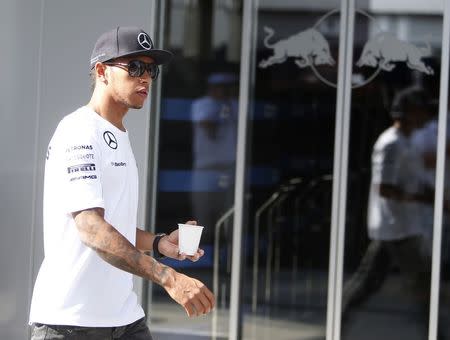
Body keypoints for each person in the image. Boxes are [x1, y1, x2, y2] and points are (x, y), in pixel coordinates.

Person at [29, 26, 215, 340]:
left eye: (151, 70)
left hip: (125, 319)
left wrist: (158, 243)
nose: (145, 78)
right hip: (71, 324)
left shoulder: (119, 135)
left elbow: (113, 225)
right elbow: (91, 228)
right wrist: (168, 277)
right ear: (101, 71)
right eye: (134, 67)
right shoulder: (78, 131)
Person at [341, 86, 434, 337]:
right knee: (425, 282)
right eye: (423, 111)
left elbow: (412, 177)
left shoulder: (407, 141)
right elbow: (385, 188)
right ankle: (435, 331)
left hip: (401, 225)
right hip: (395, 227)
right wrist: (423, 198)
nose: (427, 116)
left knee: (371, 281)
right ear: (411, 112)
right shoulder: (391, 144)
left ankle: (340, 321)